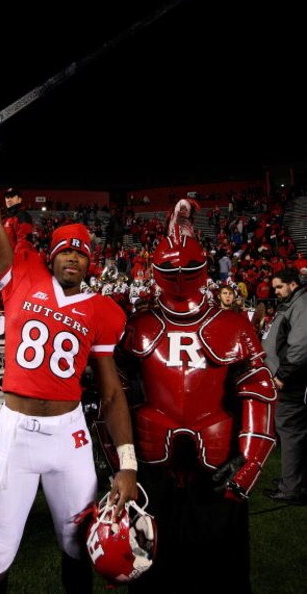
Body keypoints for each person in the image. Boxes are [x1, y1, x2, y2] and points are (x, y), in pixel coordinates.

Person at [0, 120, 137, 593]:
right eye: (65, 251)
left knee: (77, 543)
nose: (72, 259)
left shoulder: (102, 311)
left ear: (90, 263)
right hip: (15, 430)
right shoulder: (20, 275)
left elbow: (110, 390)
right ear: (52, 255)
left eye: (81, 254)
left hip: (70, 434)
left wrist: (127, 463)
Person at [120, 199, 276, 594]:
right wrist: (121, 461)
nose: (177, 275)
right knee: (154, 558)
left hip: (219, 459)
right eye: (169, 267)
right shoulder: (137, 324)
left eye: (186, 267)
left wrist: (248, 466)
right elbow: (113, 394)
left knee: (220, 566)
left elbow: (257, 391)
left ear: (203, 267)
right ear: (154, 269)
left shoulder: (233, 323)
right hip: (152, 460)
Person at [262, 268, 307, 503]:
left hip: (292, 382)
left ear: (292, 284)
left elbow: (300, 345)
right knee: (291, 432)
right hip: (289, 379)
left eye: (280, 287)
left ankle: (292, 488)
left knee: (290, 432)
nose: (276, 291)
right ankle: (293, 481)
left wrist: (282, 375)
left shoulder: (301, 304)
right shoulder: (295, 303)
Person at [2, 187, 33, 251]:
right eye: (7, 197)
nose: (9, 200)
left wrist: (17, 258)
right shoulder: (5, 218)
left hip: (15, 258)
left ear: (19, 200)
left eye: (12, 197)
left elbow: (24, 242)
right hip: (5, 258)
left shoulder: (23, 216)